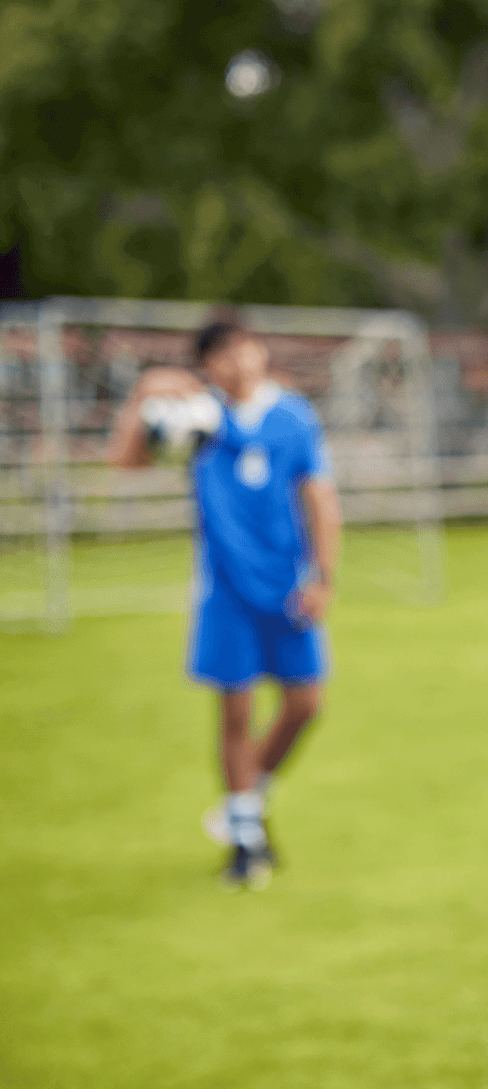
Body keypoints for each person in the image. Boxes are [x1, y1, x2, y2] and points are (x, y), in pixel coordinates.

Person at [107, 320, 340, 890]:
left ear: (261, 350)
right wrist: (144, 394)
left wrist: (324, 575)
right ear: (208, 365)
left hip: (287, 588)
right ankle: (245, 843)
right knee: (236, 712)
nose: (239, 362)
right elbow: (125, 461)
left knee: (305, 704)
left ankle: (244, 804)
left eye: (246, 349)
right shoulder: (197, 418)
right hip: (225, 591)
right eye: (224, 355)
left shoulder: (293, 417)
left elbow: (321, 499)